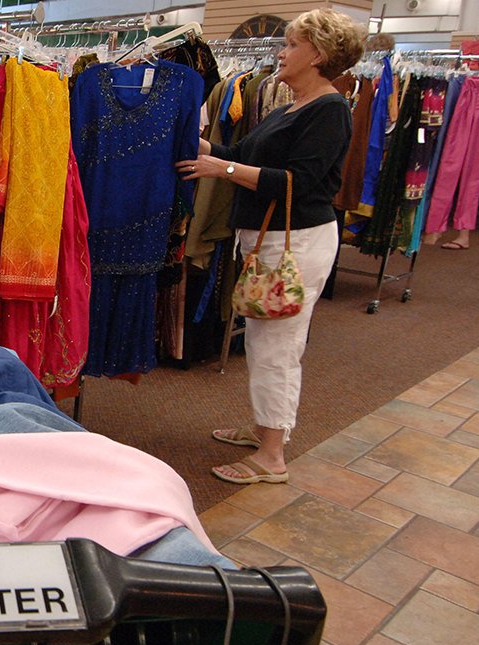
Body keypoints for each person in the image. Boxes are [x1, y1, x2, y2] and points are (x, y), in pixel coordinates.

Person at [176, 9, 366, 484]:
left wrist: (224, 172)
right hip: (270, 240)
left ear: (318, 54)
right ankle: (266, 430)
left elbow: (298, 184)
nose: (281, 53)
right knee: (266, 341)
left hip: (295, 241)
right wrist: (199, 146)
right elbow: (242, 155)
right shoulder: (291, 106)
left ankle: (272, 457)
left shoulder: (330, 109)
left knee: (277, 347)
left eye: (291, 44)